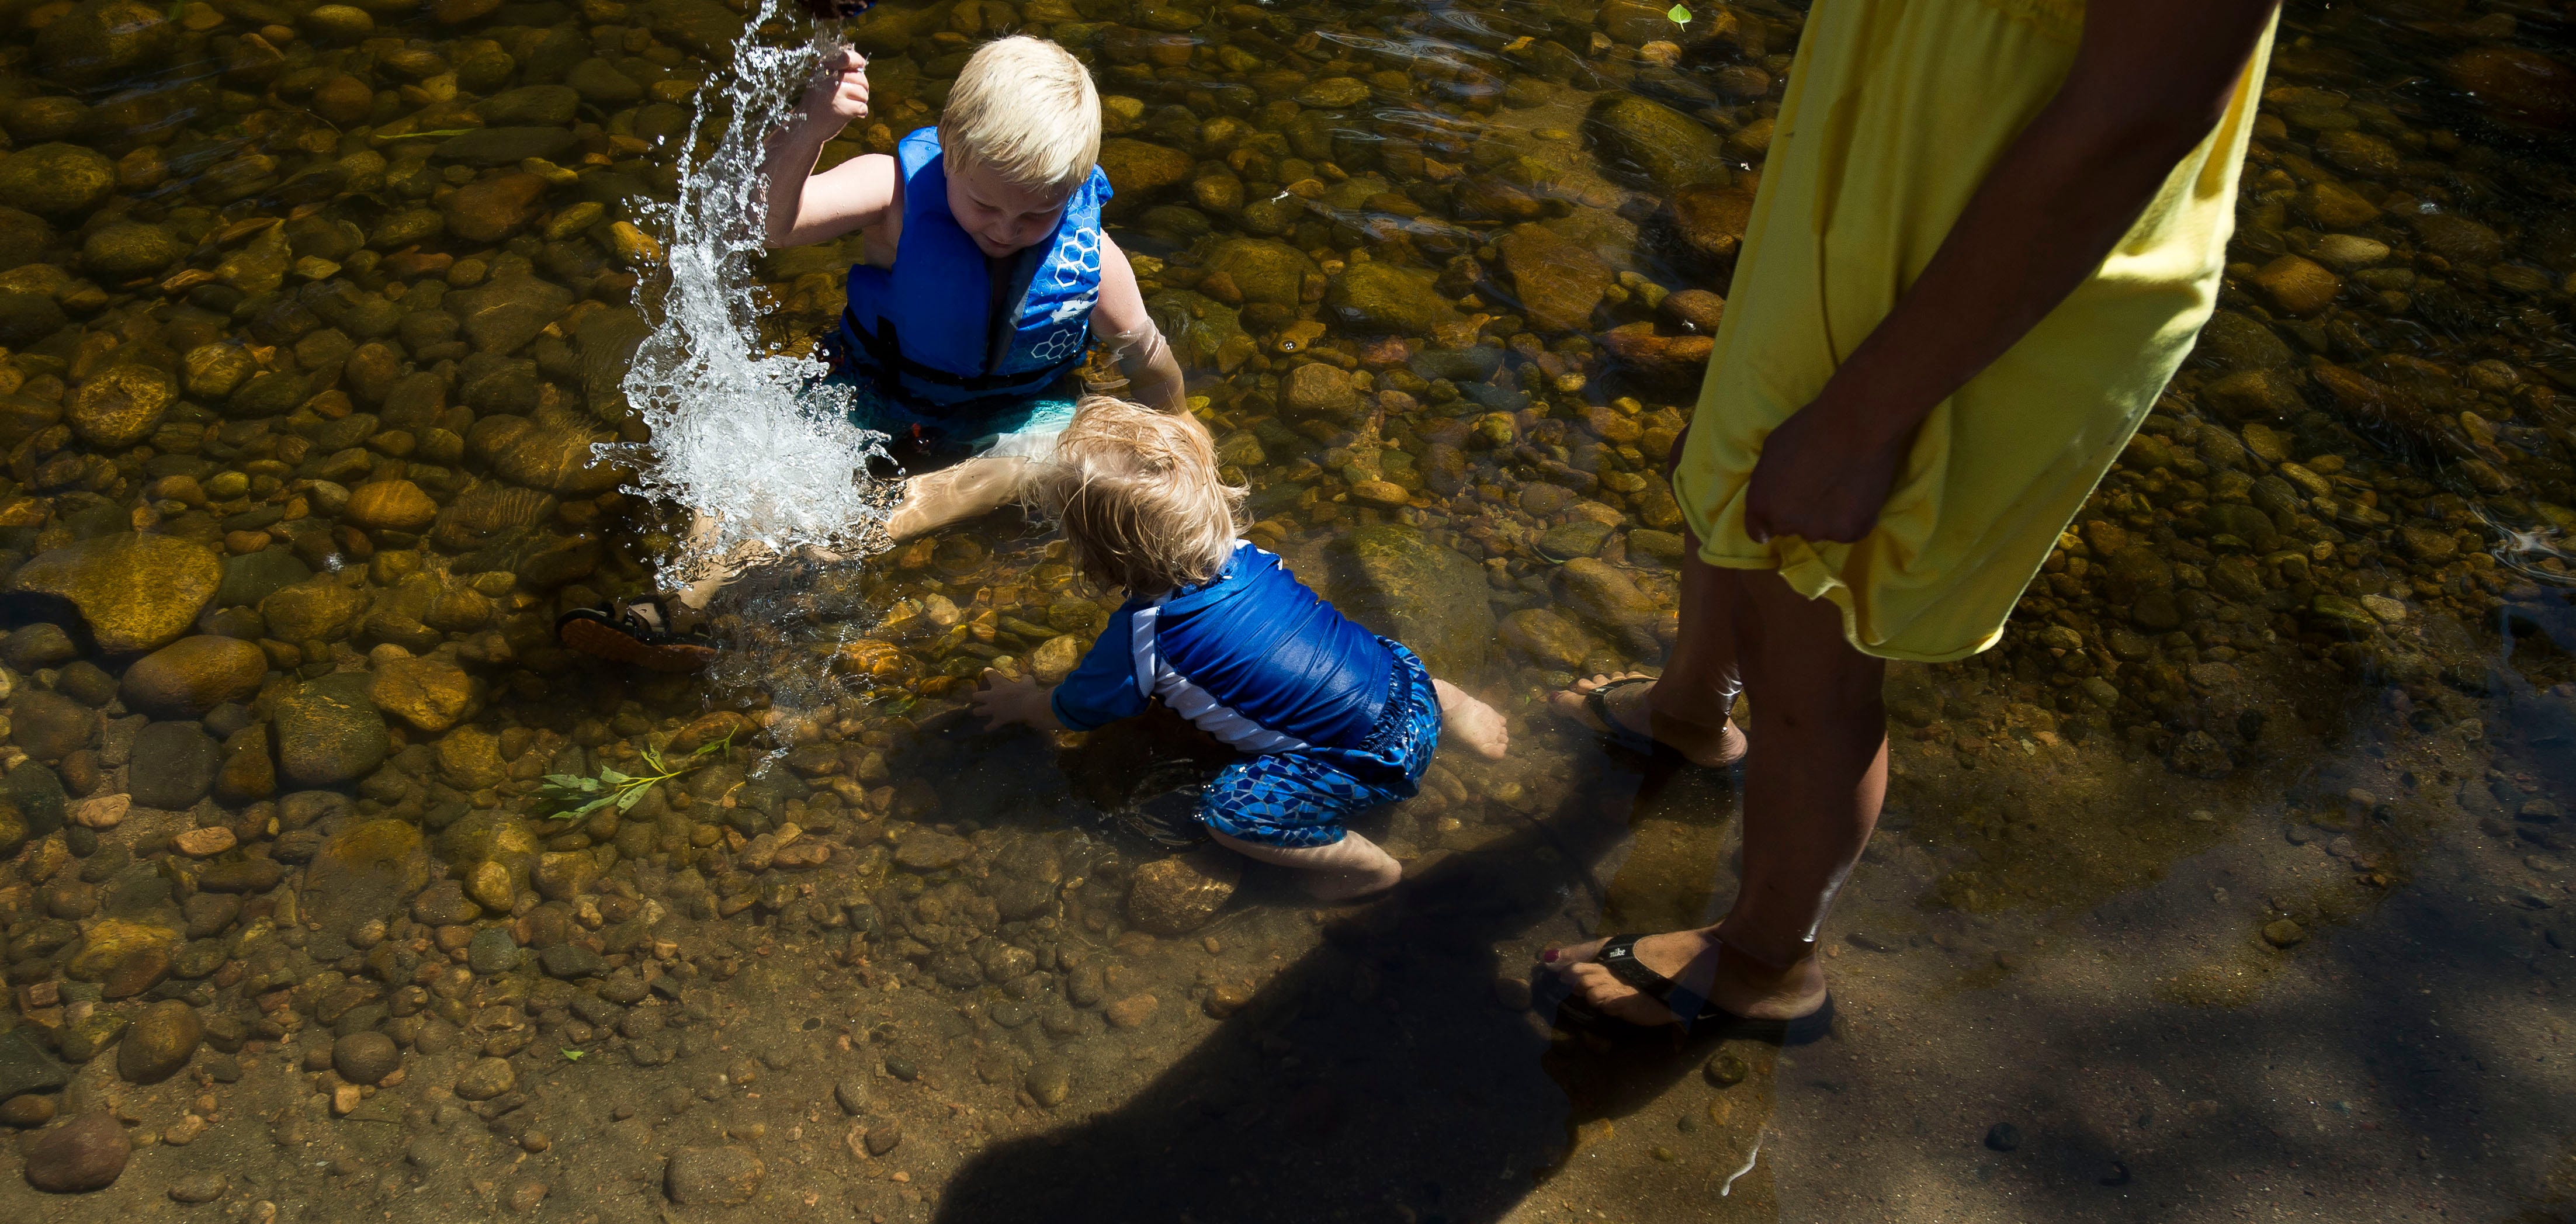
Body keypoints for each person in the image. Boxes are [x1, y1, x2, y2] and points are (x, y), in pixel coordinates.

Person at [1540, 0, 2282, 1037]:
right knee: (1728, 471)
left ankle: (1763, 958)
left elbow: (2138, 106)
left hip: (1985, 262)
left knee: (1811, 612)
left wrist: (1861, 423)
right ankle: (1689, 711)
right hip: (1866, 184)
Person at [562, 34, 1186, 669]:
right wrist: (813, 129)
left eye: (1035, 216)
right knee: (759, 440)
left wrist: (1184, 432)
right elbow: (769, 226)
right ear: (947, 146)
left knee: (1059, 453)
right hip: (872, 384)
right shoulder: (893, 194)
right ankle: (678, 600)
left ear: (1075, 189)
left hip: (1009, 415)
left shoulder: (1096, 262)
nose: (1004, 229)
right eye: (983, 205)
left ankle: (876, 525)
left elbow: (1147, 358)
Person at [972, 398, 1513, 900]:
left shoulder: (1145, 633)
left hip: (1364, 767)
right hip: (1411, 694)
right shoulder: (1251, 554)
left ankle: (1367, 867)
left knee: (1228, 815)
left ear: (1097, 559)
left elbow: (1077, 710)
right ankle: (1455, 705)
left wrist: (1022, 704)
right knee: (1372, 657)